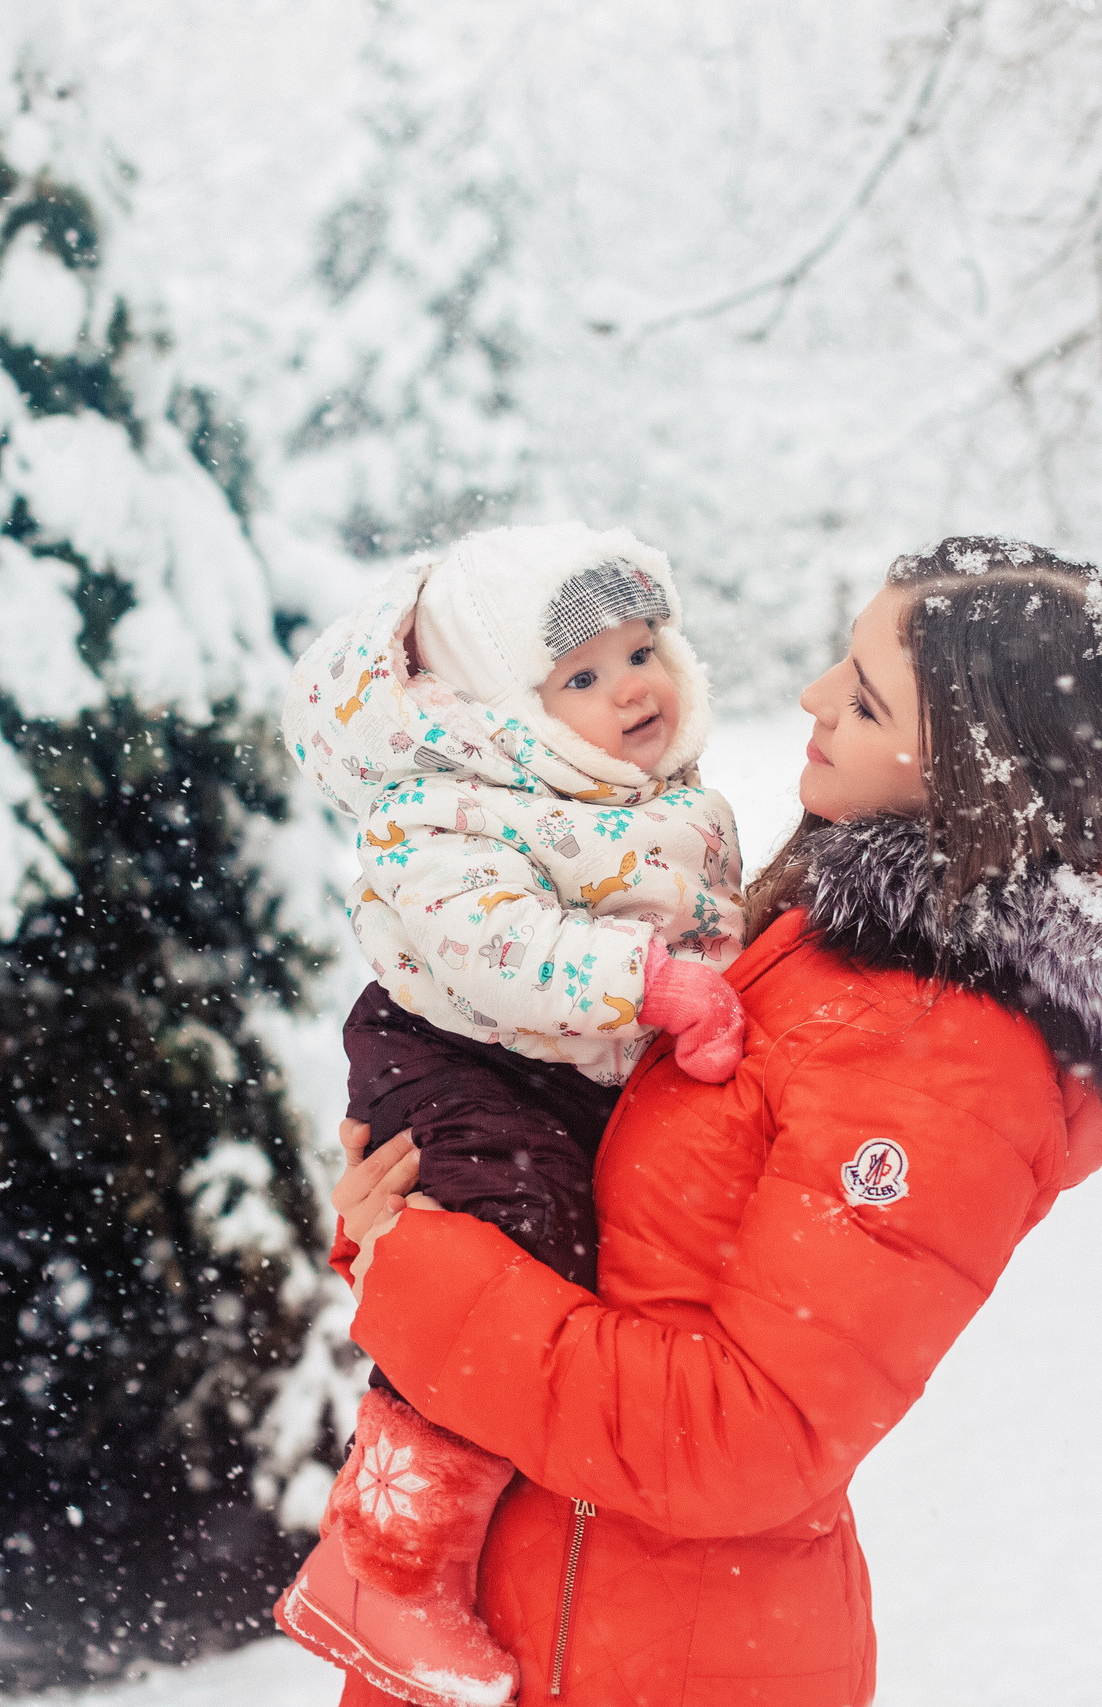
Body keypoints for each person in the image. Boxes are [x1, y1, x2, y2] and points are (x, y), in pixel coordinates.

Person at [324, 537, 1102, 1704]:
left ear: (974, 765)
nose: (815, 697)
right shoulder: (831, 934)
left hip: (650, 1655)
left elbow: (743, 1443)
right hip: (533, 1616)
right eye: (842, 660)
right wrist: (423, 1184)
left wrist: (418, 1277)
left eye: (866, 697)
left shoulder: (939, 1048)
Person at [274, 523, 753, 1703]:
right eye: (578, 679)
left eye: (639, 650)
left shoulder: (663, 799)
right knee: (503, 1263)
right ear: (504, 717)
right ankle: (385, 1561)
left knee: (537, 1255)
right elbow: (491, 945)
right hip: (457, 1055)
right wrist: (652, 984)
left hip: (556, 1070)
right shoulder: (450, 812)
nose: (629, 688)